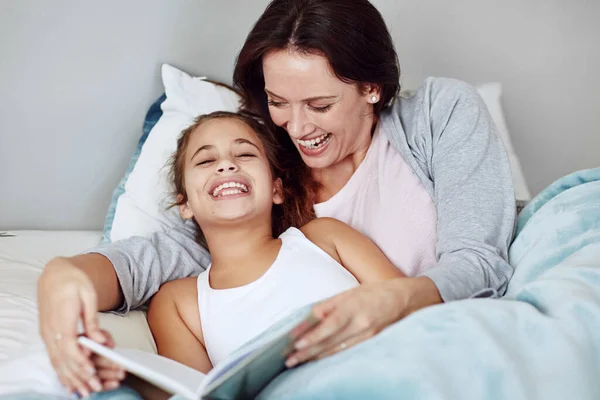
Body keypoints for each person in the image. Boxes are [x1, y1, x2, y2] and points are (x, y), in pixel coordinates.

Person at [37, 0, 516, 396]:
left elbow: (480, 263)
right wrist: (63, 275)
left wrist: (391, 301)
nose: (299, 129)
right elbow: (148, 261)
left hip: (418, 354)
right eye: (278, 102)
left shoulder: (436, 116)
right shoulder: (263, 183)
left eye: (320, 105)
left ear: (372, 87)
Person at [98, 111, 403, 397]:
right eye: (205, 160)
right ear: (185, 205)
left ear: (276, 190)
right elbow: (190, 393)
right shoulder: (180, 302)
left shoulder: (326, 237)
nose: (227, 165)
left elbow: (415, 308)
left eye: (244, 154)